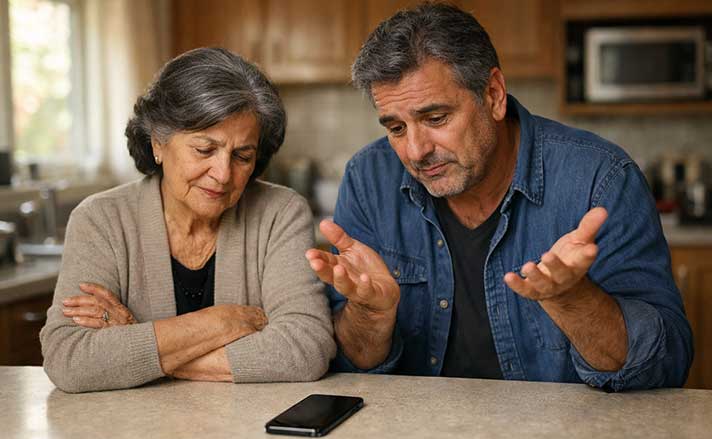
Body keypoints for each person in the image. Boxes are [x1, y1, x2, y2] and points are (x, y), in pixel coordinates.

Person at [305, 3, 693, 391]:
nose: (415, 150)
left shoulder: (601, 178)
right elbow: (352, 365)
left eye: (436, 119)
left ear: (493, 95)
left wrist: (573, 300)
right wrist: (370, 315)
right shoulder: (369, 178)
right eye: (396, 128)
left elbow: (667, 365)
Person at [41, 47, 336, 393]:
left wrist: (138, 342)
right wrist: (220, 322)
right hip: (137, 435)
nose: (223, 174)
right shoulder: (100, 219)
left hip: (253, 432)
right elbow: (70, 360)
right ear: (158, 143)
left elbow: (305, 349)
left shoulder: (281, 213)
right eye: (204, 150)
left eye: (243, 156)